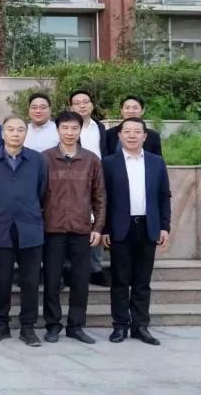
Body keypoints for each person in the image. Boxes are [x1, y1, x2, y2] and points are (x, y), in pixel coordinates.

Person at [103, 118, 171, 346]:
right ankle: (120, 325)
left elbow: (164, 196)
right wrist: (104, 229)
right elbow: (103, 199)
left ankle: (140, 326)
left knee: (143, 280)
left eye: (137, 131)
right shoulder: (108, 163)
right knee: (120, 280)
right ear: (119, 135)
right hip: (120, 228)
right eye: (127, 131)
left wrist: (164, 226)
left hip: (148, 227)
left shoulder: (156, 162)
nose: (132, 135)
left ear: (145, 136)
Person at [0, 116, 48, 347]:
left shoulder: (37, 160)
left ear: (26, 133)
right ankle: (1, 323)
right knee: (2, 279)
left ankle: (28, 327)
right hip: (0, 226)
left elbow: (42, 190)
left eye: (20, 129)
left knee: (30, 280)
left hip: (30, 227)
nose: (15, 133)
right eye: (10, 129)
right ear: (2, 133)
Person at [42, 111, 106, 345]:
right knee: (52, 279)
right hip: (52, 229)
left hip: (81, 229)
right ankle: (52, 325)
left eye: (74, 128)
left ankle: (76, 326)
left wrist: (98, 227)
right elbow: (37, 195)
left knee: (80, 280)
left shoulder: (91, 160)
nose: (70, 133)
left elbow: (100, 197)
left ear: (80, 130)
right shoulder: (45, 159)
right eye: (65, 128)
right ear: (57, 130)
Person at [67, 90, 111, 287]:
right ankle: (70, 268)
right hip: (74, 182)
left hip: (97, 181)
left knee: (97, 223)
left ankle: (95, 268)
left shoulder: (99, 127)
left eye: (86, 102)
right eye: (77, 103)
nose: (82, 105)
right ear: (71, 107)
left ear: (92, 105)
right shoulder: (68, 128)